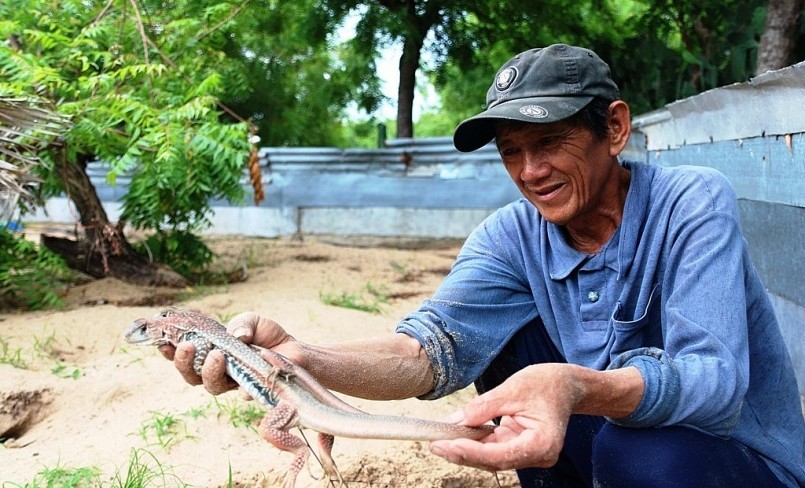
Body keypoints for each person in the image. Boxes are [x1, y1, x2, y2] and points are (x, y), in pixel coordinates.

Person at [161, 44, 805, 487]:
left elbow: (715, 383)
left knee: (641, 449)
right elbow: (428, 351)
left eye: (550, 141)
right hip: (609, 447)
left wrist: (576, 385)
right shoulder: (511, 236)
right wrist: (302, 358)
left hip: (737, 461)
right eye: (511, 152)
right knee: (503, 344)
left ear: (613, 128)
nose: (531, 172)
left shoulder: (692, 201)